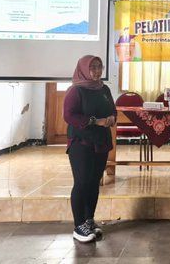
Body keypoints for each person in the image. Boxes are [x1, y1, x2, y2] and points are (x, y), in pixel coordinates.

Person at [63, 55, 116, 243]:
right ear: (84, 69)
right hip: (81, 143)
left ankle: (89, 221)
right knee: (82, 182)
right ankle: (78, 226)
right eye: (92, 67)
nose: (96, 70)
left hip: (100, 142)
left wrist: (111, 118)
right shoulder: (75, 90)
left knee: (94, 182)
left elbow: (113, 110)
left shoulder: (104, 89)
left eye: (99, 67)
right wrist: (95, 121)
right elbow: (69, 115)